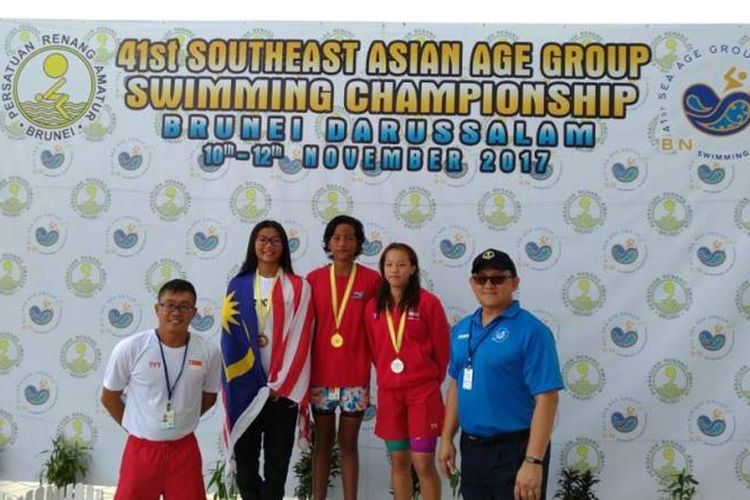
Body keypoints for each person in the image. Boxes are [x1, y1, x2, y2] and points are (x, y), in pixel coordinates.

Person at [438, 249, 563, 500]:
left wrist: (533, 460)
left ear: (514, 282)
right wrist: (447, 438)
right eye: (481, 278)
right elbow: (456, 385)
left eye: (497, 278)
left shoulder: (532, 331)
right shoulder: (463, 329)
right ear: (472, 283)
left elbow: (547, 398)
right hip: (472, 449)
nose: (488, 284)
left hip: (516, 451)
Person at [101, 279, 221, 500]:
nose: (176, 312)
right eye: (169, 304)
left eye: (184, 306)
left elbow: (210, 397)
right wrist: (139, 425)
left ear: (194, 313)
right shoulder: (131, 348)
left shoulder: (208, 352)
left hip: (184, 450)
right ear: (157, 309)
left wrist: (182, 420)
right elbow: (109, 397)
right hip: (141, 451)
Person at [220, 220, 313, 500]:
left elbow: (301, 337)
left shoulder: (299, 287)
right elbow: (230, 337)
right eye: (262, 239)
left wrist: (279, 384)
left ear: (283, 246)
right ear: (253, 245)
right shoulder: (238, 285)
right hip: (246, 389)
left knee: (277, 465)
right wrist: (244, 381)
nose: (268, 245)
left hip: (281, 393)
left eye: (274, 240)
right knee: (245, 462)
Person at [365, 242, 450, 500]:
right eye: (389, 264)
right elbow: (373, 348)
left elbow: (442, 349)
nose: (394, 270)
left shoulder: (429, 303)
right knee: (399, 462)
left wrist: (429, 380)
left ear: (412, 268)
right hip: (390, 393)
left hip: (422, 393)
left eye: (401, 264)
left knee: (422, 463)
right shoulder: (373, 308)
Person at [306, 215, 381, 500]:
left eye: (350, 237)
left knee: (348, 443)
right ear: (327, 242)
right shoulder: (313, 279)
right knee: (322, 443)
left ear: (359, 243)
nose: (343, 243)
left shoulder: (372, 280)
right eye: (337, 237)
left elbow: (380, 329)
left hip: (355, 375)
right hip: (320, 375)